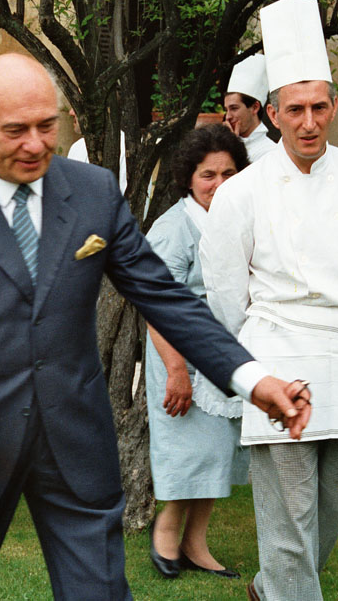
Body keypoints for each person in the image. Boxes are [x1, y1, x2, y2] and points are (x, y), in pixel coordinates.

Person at [0, 52, 312, 600]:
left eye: (47, 126)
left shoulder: (92, 191)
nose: (36, 144)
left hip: (74, 438)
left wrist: (253, 379)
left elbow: (164, 297)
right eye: (16, 130)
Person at [201, 0, 338, 601]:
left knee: (327, 517)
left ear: (334, 107)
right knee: (289, 528)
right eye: (295, 110)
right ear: (274, 113)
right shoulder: (241, 193)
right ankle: (282, 588)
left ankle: (269, 589)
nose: (308, 122)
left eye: (318, 108)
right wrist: (255, 367)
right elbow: (226, 294)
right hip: (278, 360)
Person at [144, 125, 250, 580]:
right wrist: (175, 370)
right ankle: (165, 534)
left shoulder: (237, 221)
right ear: (189, 177)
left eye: (229, 173)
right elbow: (155, 306)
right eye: (209, 175)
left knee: (216, 453)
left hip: (223, 356)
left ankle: (195, 543)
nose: (219, 184)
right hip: (180, 357)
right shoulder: (173, 228)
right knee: (188, 452)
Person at [223, 54, 276, 162]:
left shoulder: (270, 152)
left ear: (255, 107)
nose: (228, 116)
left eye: (234, 108)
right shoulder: (225, 144)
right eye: (226, 110)